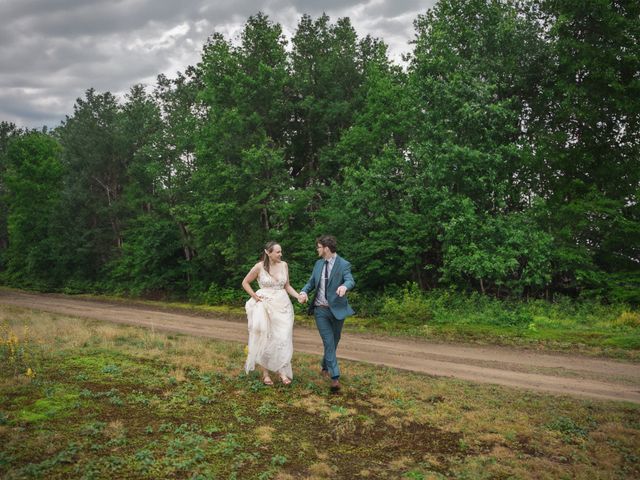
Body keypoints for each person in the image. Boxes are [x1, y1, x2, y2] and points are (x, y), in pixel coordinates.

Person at [299, 235, 355, 391]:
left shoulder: (343, 264)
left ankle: (325, 365)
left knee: (335, 340)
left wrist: (345, 287)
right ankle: (335, 377)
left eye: (318, 247)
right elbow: (311, 282)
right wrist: (303, 292)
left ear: (326, 248)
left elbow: (350, 280)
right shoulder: (318, 264)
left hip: (337, 309)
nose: (317, 249)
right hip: (320, 310)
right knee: (329, 341)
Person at [242, 241, 302, 386]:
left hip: (283, 306)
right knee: (266, 337)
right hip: (265, 306)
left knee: (282, 338)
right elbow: (245, 282)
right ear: (268, 252)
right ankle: (266, 373)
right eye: (277, 252)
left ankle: (282, 372)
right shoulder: (259, 267)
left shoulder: (284, 265)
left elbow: (287, 285)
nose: (280, 254)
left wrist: (298, 296)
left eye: (281, 251)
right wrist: (255, 297)